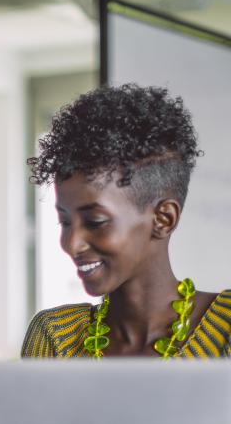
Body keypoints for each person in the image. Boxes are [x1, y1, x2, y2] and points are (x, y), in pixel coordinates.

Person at [21, 83, 231, 359]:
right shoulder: (55, 337)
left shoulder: (225, 332)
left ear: (163, 219)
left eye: (95, 221)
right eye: (65, 221)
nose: (72, 244)